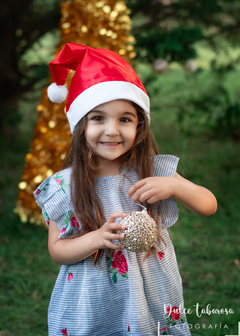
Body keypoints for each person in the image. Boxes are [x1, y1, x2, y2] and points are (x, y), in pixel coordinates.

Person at [34, 43, 217, 336]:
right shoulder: (65, 185)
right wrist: (97, 237)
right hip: (92, 300)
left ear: (140, 125)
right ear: (80, 125)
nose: (112, 130)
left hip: (152, 295)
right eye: (98, 118)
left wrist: (173, 186)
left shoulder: (153, 171)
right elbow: (57, 251)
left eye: (125, 119)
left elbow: (209, 204)